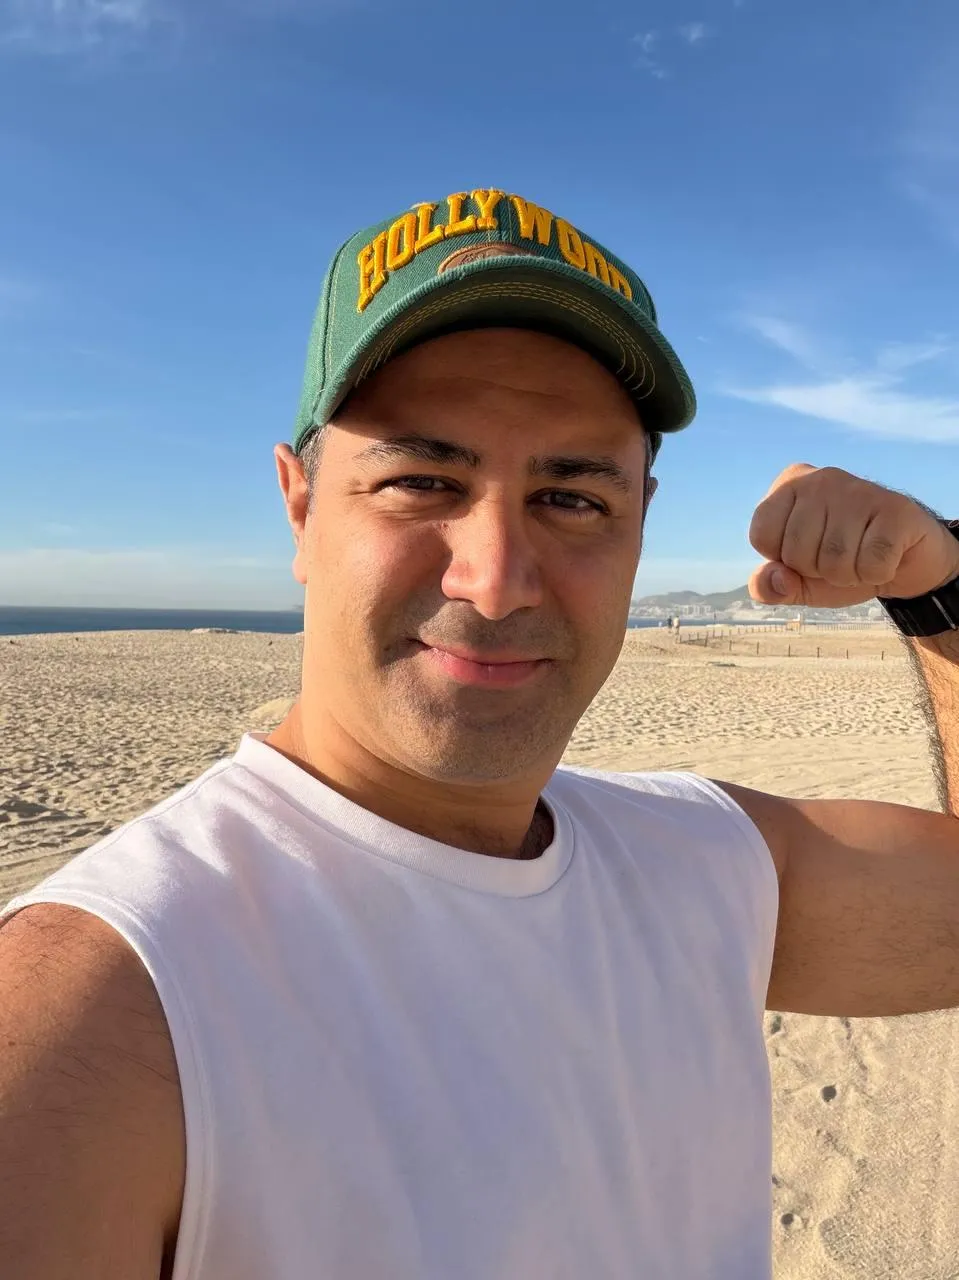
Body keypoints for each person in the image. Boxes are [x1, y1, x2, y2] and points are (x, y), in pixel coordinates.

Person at [1, 189, 958, 1280]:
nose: (495, 580)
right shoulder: (101, 1014)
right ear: (300, 507)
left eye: (570, 496)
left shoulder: (708, 863)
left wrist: (940, 587)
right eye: (422, 480)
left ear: (642, 517)